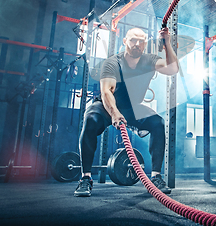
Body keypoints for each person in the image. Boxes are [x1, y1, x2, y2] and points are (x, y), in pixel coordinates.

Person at [74, 27, 179, 197]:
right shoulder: (112, 63)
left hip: (132, 108)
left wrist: (167, 43)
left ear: (145, 44)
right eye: (132, 40)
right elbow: (106, 91)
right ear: (125, 41)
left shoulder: (149, 60)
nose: (136, 44)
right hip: (107, 106)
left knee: (158, 123)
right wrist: (114, 113)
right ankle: (85, 178)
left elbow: (172, 69)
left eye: (141, 41)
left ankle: (156, 177)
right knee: (91, 120)